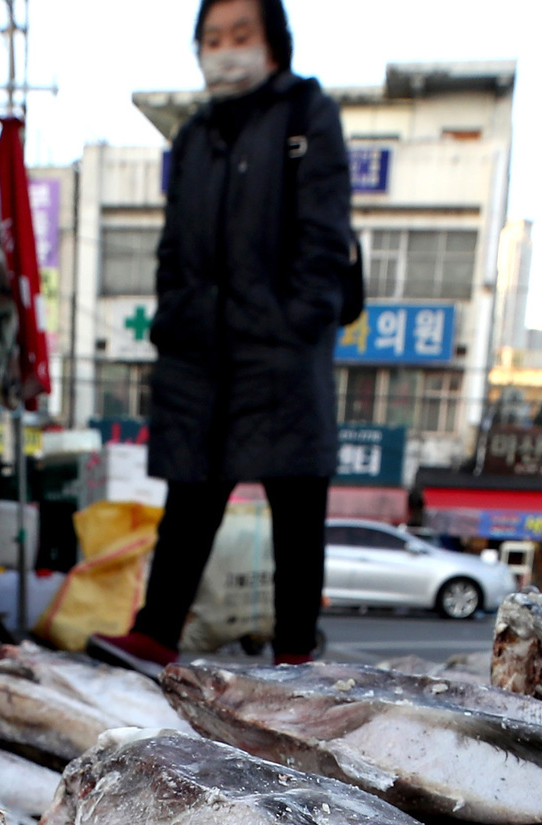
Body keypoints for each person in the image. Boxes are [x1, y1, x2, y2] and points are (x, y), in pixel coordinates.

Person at [88, 0, 353, 677]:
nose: (225, 49)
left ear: (274, 44)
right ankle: (156, 633)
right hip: (201, 342)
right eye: (211, 38)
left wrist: (300, 319)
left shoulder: (307, 114)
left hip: (281, 340)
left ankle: (296, 654)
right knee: (191, 489)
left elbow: (325, 231)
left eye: (241, 34)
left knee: (298, 497)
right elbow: (173, 245)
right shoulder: (196, 134)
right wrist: (173, 317)